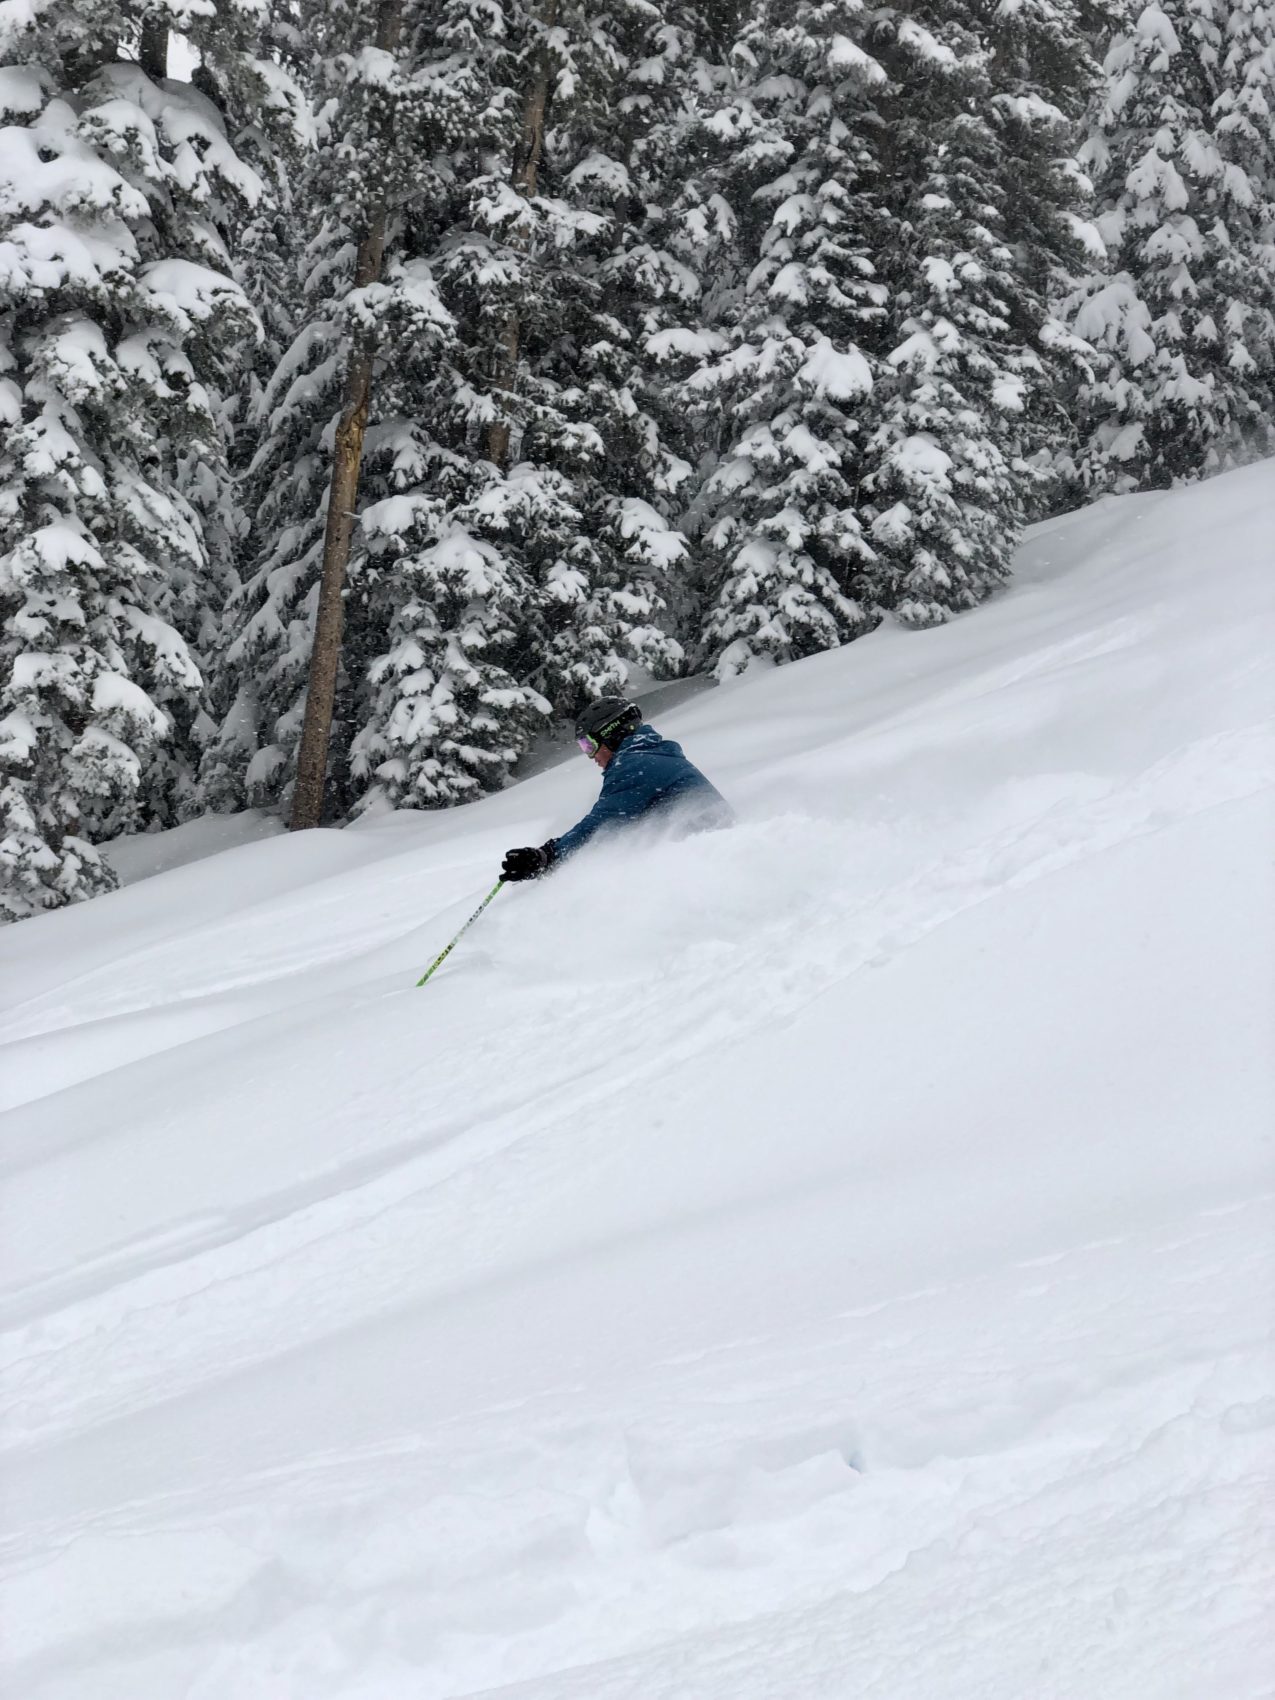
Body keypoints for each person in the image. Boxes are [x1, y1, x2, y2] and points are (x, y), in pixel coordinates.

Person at [501, 698, 733, 882]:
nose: (590, 756)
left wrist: (545, 857)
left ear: (610, 734)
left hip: (710, 863)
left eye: (589, 745)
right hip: (711, 856)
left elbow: (602, 824)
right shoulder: (650, 755)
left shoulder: (635, 765)